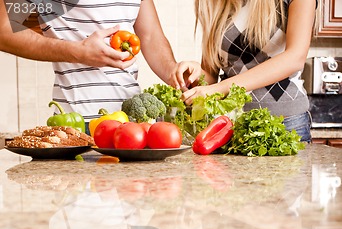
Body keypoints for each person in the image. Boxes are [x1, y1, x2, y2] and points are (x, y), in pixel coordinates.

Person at [0, 0, 201, 126]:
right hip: (78, 122)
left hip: (133, 122)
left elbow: (149, 36)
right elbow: (4, 31)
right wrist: (77, 52)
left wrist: (173, 71)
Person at [170, 0, 317, 142]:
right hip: (231, 126)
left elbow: (295, 58)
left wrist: (219, 89)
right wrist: (194, 74)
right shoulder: (214, 3)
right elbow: (210, 77)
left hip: (286, 124)